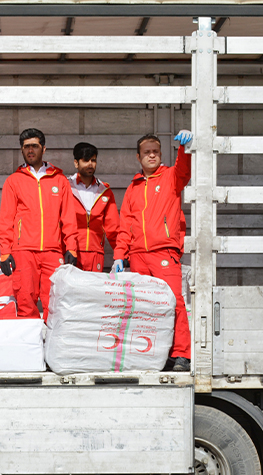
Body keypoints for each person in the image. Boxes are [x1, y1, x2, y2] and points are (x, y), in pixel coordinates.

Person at [114, 130, 194, 372]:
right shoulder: (133, 188)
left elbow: (184, 169)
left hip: (164, 253)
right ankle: (152, 354)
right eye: (147, 152)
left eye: (156, 152)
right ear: (138, 157)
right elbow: (125, 225)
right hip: (138, 257)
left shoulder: (171, 177)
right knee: (145, 307)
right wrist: (119, 255)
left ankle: (181, 354)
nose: (152, 156)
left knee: (175, 302)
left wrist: (185, 148)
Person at [0, 128, 79, 320]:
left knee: (55, 303)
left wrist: (72, 247)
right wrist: (5, 252)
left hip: (53, 251)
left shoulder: (59, 180)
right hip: (23, 251)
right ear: (22, 150)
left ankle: (52, 348)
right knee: (25, 301)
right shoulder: (13, 181)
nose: (30, 150)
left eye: (34, 146)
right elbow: (6, 218)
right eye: (26, 147)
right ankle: (31, 348)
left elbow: (68, 217)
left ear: (44, 148)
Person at [67, 142, 119, 273]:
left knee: (91, 293)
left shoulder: (105, 191)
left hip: (95, 253)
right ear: (76, 163)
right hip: (71, 251)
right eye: (85, 160)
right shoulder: (66, 187)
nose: (90, 164)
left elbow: (113, 228)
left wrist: (121, 254)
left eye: (93, 160)